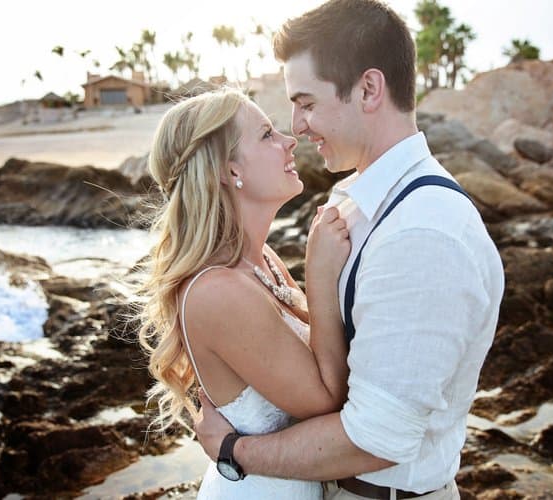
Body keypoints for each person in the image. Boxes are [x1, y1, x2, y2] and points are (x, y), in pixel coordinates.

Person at [193, 1, 505, 499]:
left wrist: (234, 451)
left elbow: (377, 437)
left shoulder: (422, 231)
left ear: (368, 89)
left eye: (308, 103)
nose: (297, 126)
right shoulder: (356, 202)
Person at [137, 88, 353, 498]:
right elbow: (328, 401)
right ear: (226, 168)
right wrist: (320, 276)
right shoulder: (217, 291)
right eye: (267, 134)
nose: (290, 140)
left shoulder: (262, 260)